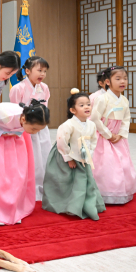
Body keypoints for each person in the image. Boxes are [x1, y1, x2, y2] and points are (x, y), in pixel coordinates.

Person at [42, 89, 105, 220]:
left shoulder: (92, 125)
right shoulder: (67, 125)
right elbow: (61, 142)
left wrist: (89, 153)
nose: (86, 107)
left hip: (83, 156)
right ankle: (69, 205)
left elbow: (94, 140)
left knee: (86, 181)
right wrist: (68, 158)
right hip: (66, 155)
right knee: (68, 183)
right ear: (73, 110)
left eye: (88, 104)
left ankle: (86, 205)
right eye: (81, 105)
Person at [90, 66, 136, 204]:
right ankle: (104, 192)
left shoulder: (124, 100)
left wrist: (121, 134)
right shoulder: (102, 99)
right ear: (107, 82)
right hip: (103, 135)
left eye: (125, 78)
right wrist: (107, 134)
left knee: (122, 162)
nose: (122, 81)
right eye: (118, 79)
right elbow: (95, 118)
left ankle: (121, 191)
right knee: (105, 164)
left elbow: (126, 119)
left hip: (117, 136)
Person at [9, 56, 51, 200]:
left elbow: (46, 107)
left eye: (45, 71)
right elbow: (15, 112)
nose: (42, 74)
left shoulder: (44, 88)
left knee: (44, 158)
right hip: (26, 129)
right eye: (39, 70)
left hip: (41, 128)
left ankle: (42, 189)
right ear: (27, 71)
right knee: (30, 160)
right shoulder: (17, 88)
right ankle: (27, 190)